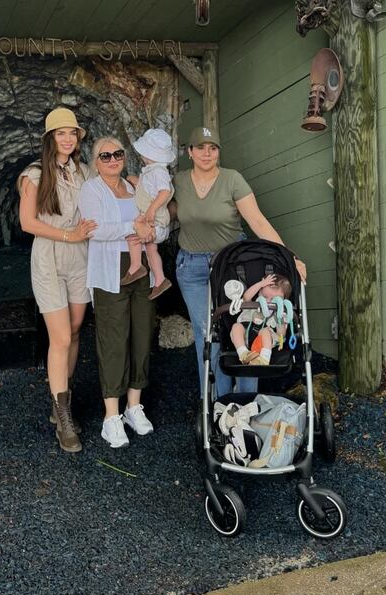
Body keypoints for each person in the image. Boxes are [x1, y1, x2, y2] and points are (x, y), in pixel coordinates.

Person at [172, 124, 307, 398]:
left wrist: (290, 257)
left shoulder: (232, 179)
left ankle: (246, 399)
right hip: (193, 267)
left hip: (231, 267)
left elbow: (257, 221)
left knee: (245, 323)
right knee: (207, 332)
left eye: (212, 148)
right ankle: (218, 403)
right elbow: (160, 209)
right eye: (200, 148)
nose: (207, 154)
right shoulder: (178, 182)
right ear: (189, 152)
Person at [18, 108, 97, 454]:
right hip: (50, 257)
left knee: (76, 329)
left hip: (80, 259)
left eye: (73, 133)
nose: (68, 139)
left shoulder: (83, 171)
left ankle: (60, 395)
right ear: (50, 138)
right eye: (61, 133)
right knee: (61, 336)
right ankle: (63, 413)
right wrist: (69, 236)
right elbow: (28, 223)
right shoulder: (35, 174)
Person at [77, 136, 158, 449]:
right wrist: (133, 228)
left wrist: (150, 230)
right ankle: (111, 416)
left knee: (141, 334)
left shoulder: (136, 187)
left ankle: (133, 406)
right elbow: (95, 229)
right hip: (112, 270)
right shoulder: (91, 190)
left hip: (142, 269)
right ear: (96, 162)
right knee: (113, 339)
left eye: (117, 154)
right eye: (104, 155)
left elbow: (156, 222)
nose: (112, 159)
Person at [122, 128, 175, 299]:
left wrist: (151, 210)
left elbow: (164, 192)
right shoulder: (153, 171)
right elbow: (147, 189)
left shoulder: (158, 171)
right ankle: (160, 280)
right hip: (156, 222)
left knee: (133, 235)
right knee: (151, 249)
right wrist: (134, 180)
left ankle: (136, 267)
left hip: (155, 220)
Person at [229, 273, 293, 364]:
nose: (268, 302)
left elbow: (281, 335)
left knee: (265, 331)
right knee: (236, 327)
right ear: (259, 293)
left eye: (274, 299)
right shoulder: (253, 305)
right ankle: (243, 354)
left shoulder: (278, 315)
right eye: (265, 297)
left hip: (264, 343)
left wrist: (281, 320)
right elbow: (246, 297)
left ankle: (264, 359)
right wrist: (260, 284)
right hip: (244, 337)